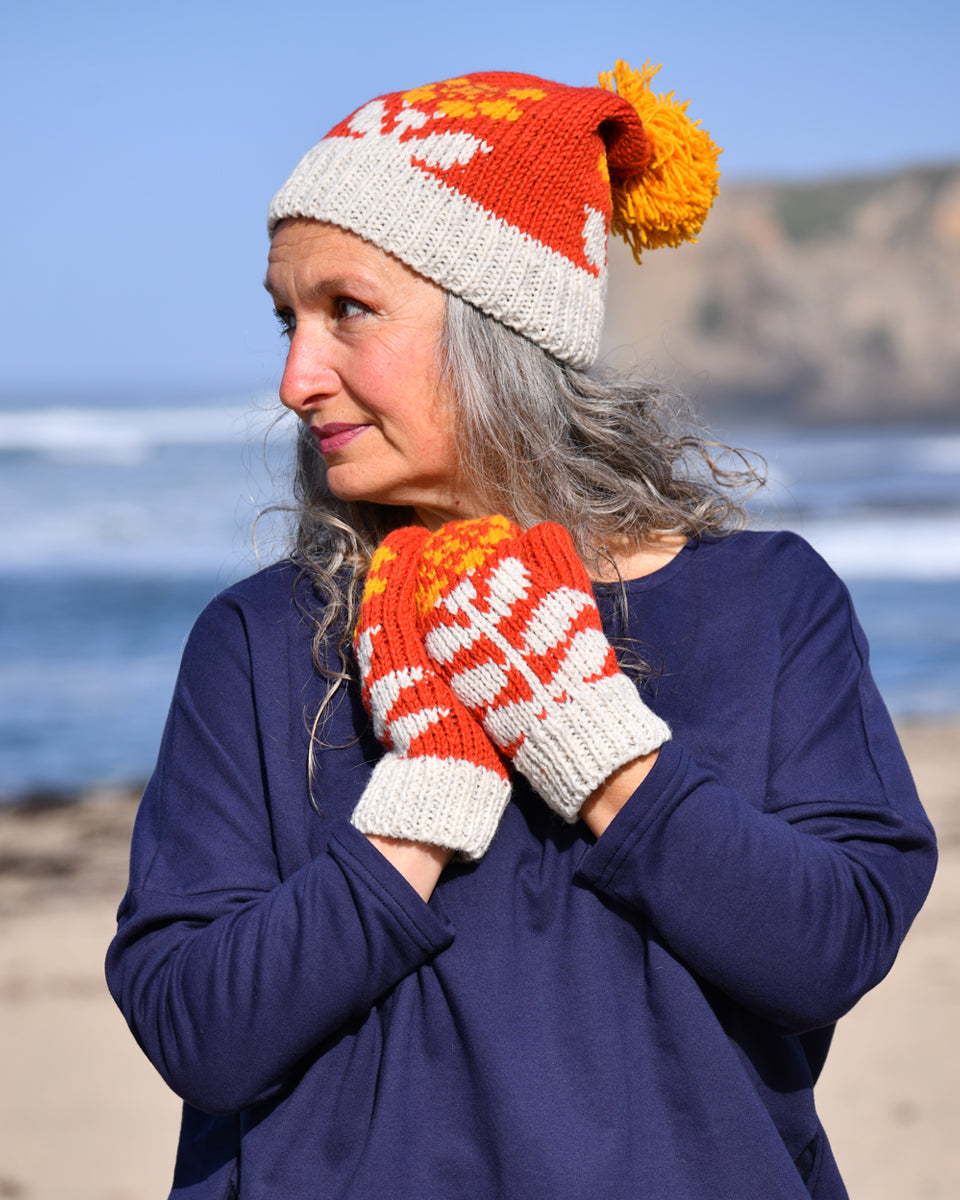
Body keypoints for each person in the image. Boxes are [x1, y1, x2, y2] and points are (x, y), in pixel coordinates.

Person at [106, 61, 937, 1199]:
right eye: (285, 318)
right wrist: (425, 802)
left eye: (349, 308)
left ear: (502, 325)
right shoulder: (259, 642)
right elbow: (199, 1033)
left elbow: (828, 952)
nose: (298, 376)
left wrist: (592, 740)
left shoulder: (769, 604)